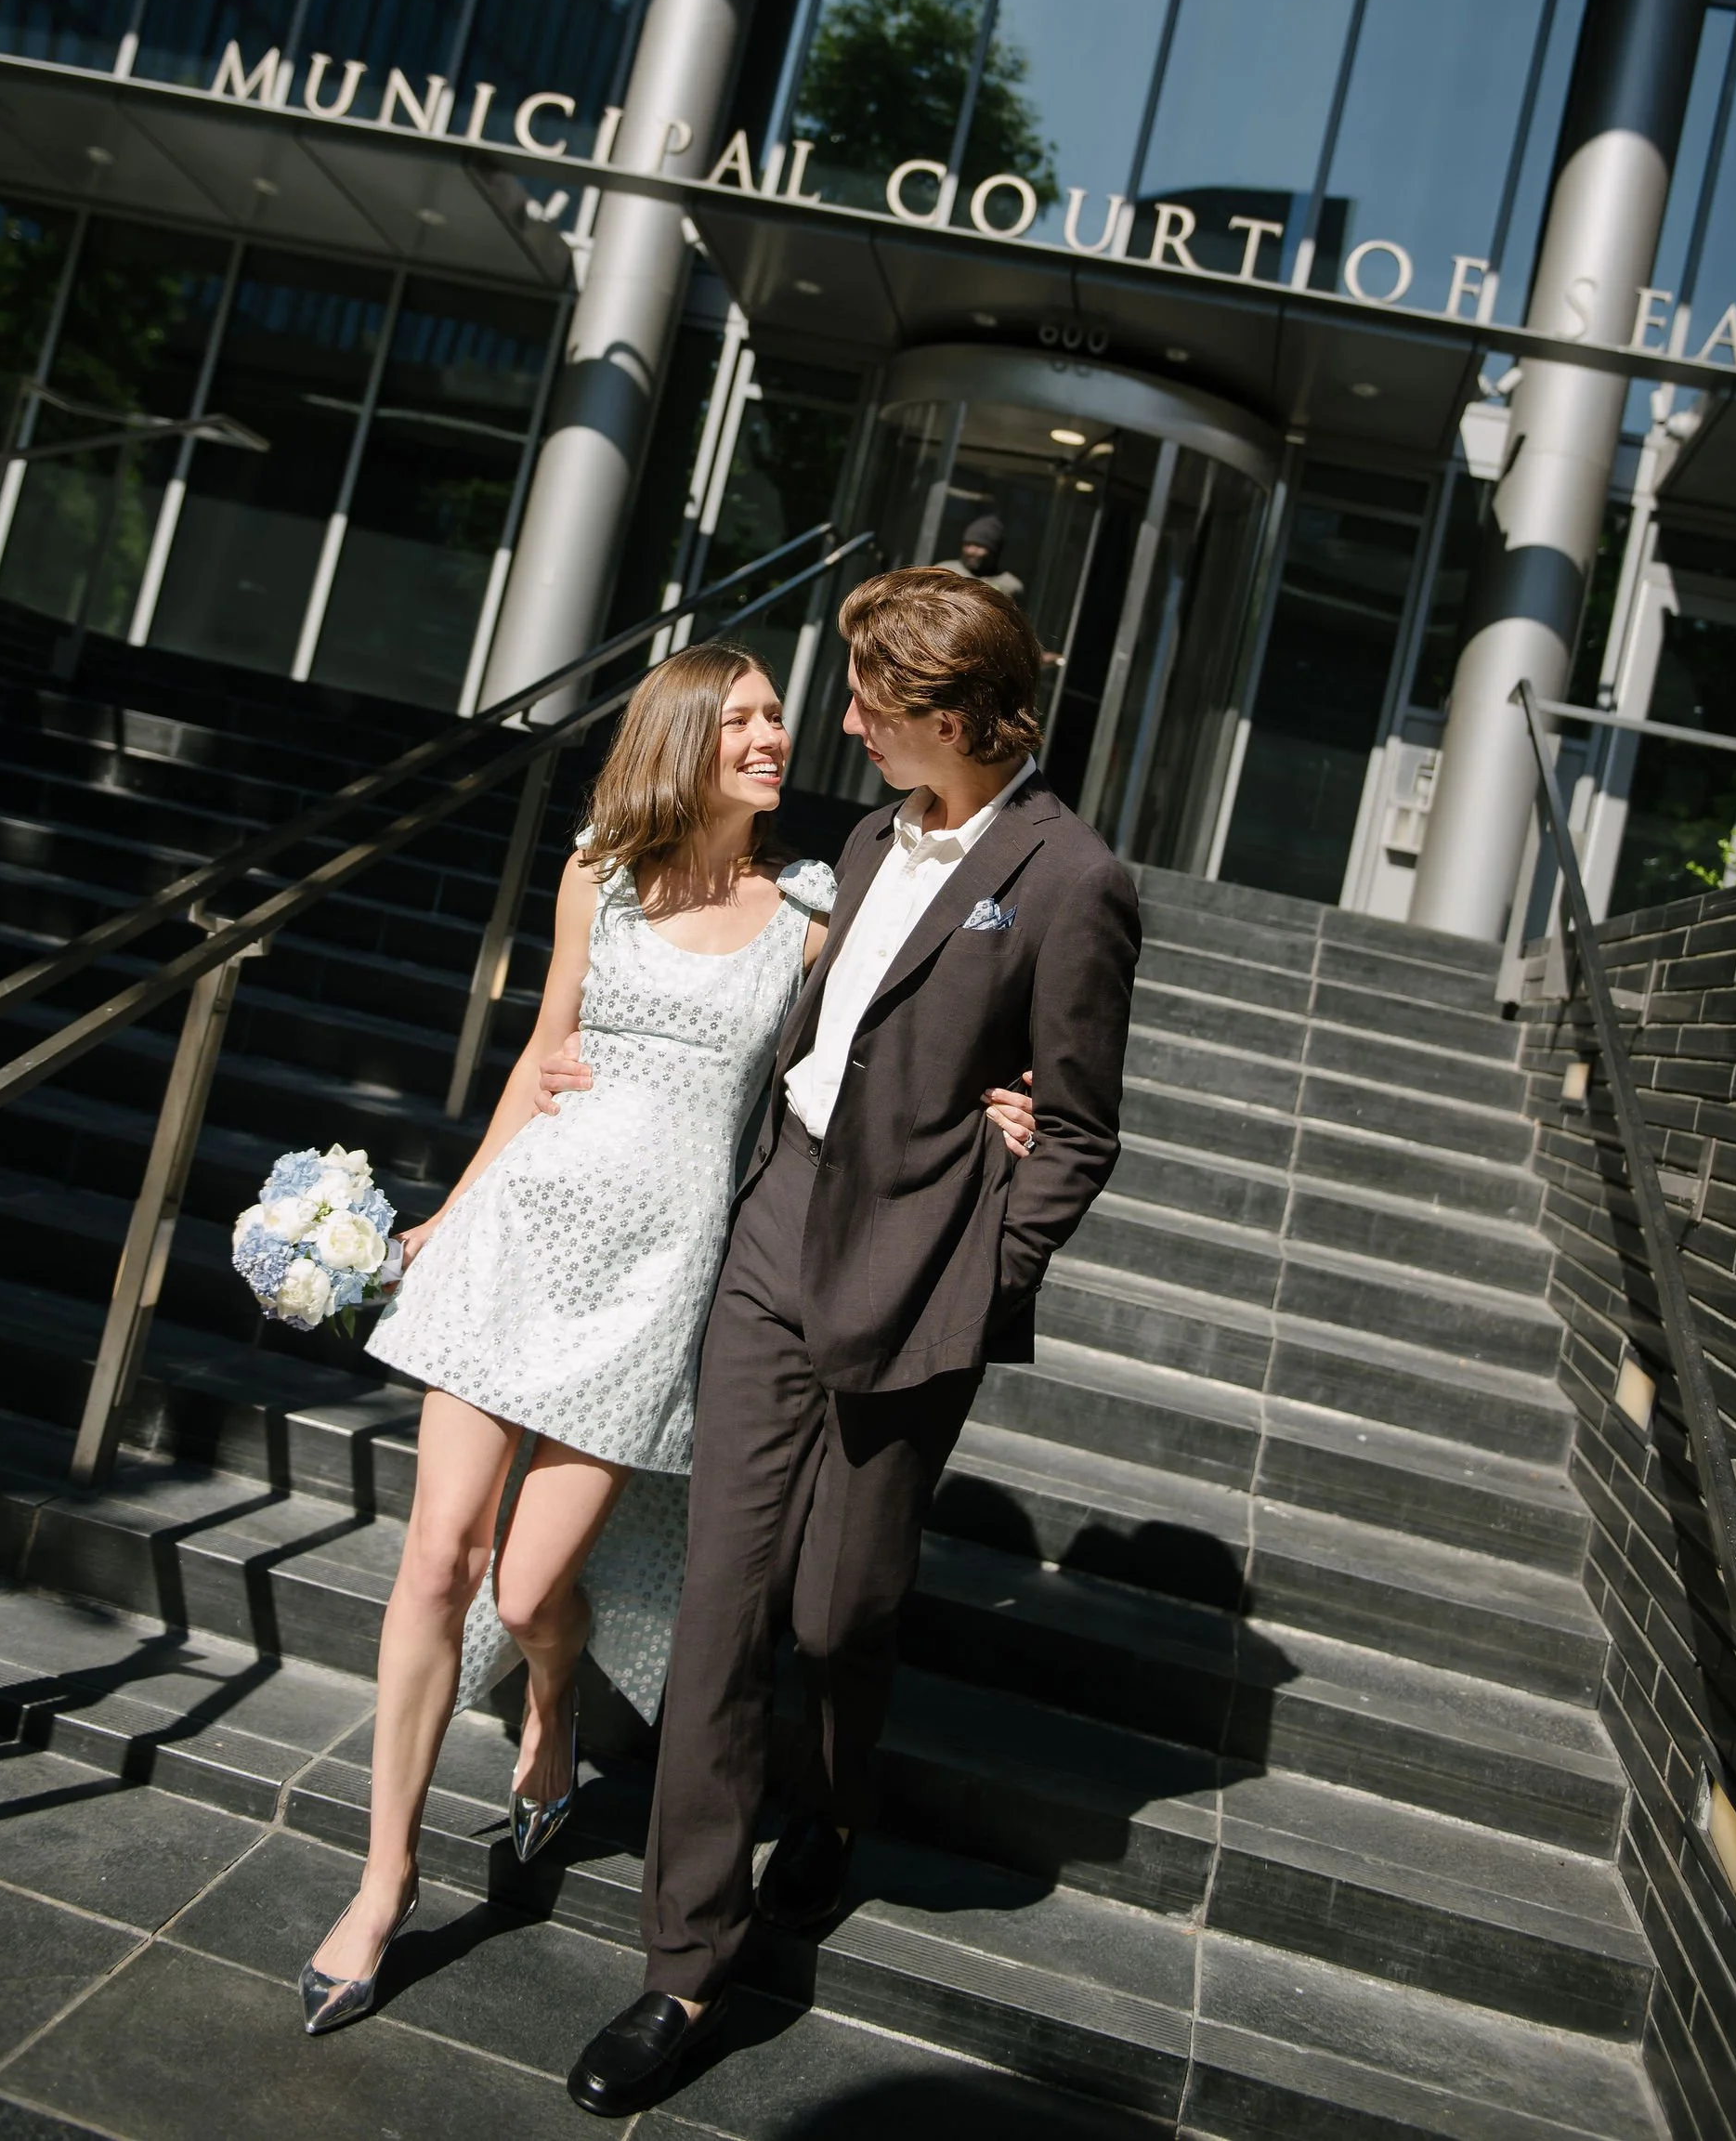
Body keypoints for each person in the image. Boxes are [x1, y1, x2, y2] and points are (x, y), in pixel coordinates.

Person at [292, 635, 1045, 2036]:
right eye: (745, 718)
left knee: (528, 1594)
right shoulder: (597, 873)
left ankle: (552, 1709)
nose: (776, 737)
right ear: (686, 736)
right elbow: (542, 1054)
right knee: (437, 1559)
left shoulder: (812, 910)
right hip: (520, 1236)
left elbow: (903, 1032)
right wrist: (445, 1216)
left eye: (777, 718)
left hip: (653, 1286)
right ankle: (384, 1880)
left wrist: (1006, 1101)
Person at [567, 569, 1142, 2118]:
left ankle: (828, 1799)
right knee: (722, 1602)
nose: (846, 720)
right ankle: (687, 1961)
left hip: (918, 1272)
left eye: (872, 697)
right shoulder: (876, 836)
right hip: (777, 1230)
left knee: (839, 1609)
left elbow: (1080, 1127)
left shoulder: (1072, 875)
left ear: (950, 710)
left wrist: (984, 1265)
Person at [939, 508, 1025, 600]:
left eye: (978, 546)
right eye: (967, 544)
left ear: (994, 551)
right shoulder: (944, 572)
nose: (971, 551)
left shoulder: (1009, 586)